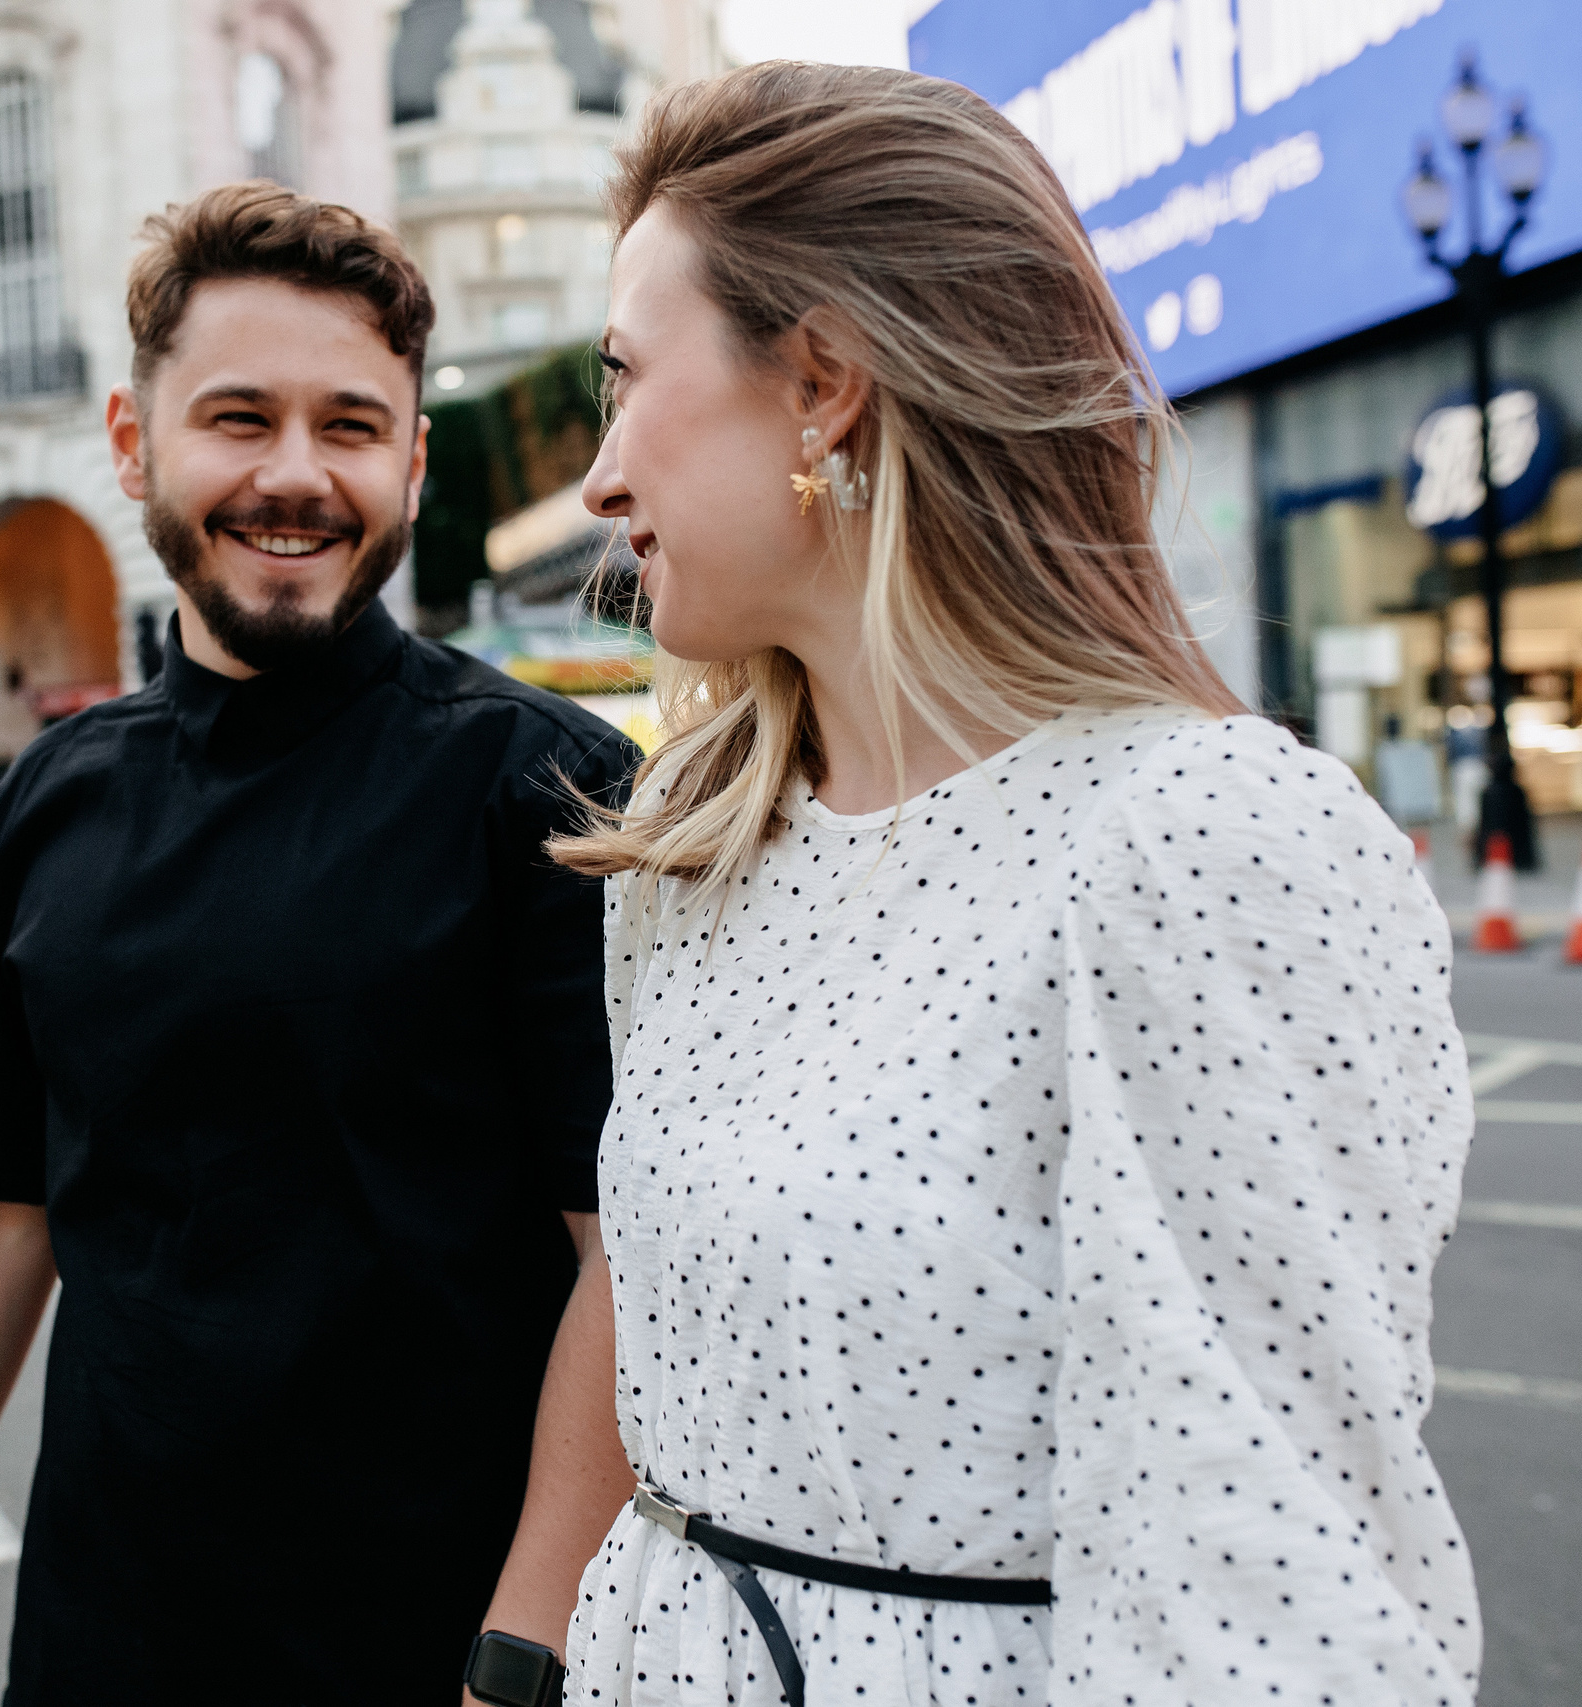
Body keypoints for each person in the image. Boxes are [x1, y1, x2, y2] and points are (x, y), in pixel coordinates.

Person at [463, 64, 1480, 1707]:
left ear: (824, 385)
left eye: (627, 381)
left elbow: (1268, 1612)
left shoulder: (1203, 847)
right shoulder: (691, 838)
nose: (597, 482)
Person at [0, 182, 639, 1707]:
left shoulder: (548, 787)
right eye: (238, 418)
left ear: (410, 457)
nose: (293, 476)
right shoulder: (49, 802)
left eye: (346, 426)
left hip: (431, 1650)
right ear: (135, 447)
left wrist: (522, 1652)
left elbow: (626, 1262)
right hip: (99, 1643)